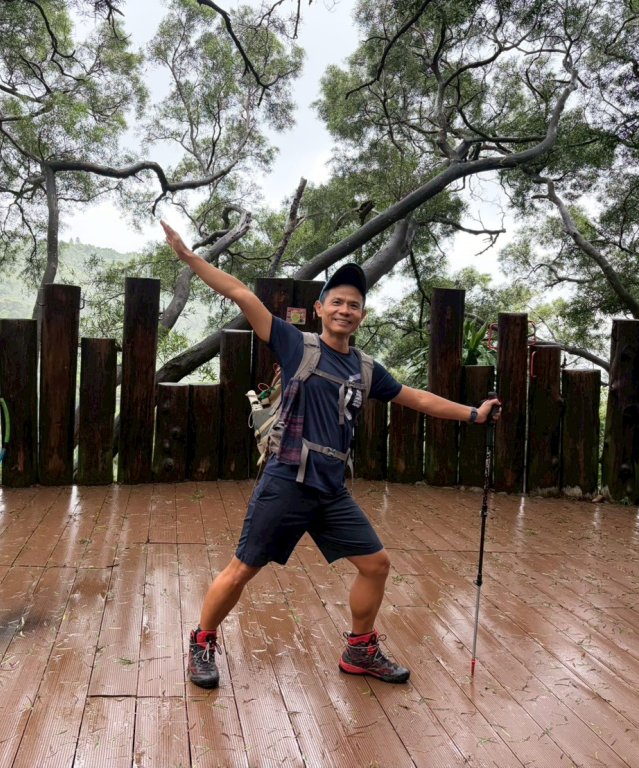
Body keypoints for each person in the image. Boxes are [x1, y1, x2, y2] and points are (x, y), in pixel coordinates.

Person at [160, 220, 501, 689]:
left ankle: (359, 650)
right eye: (337, 301)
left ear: (363, 314)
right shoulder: (294, 343)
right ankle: (203, 640)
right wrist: (191, 259)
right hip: (286, 479)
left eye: (354, 304)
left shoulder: (365, 368)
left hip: (330, 489)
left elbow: (415, 397)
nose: (345, 309)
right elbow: (242, 295)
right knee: (243, 569)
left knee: (376, 564)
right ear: (320, 308)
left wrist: (472, 414)